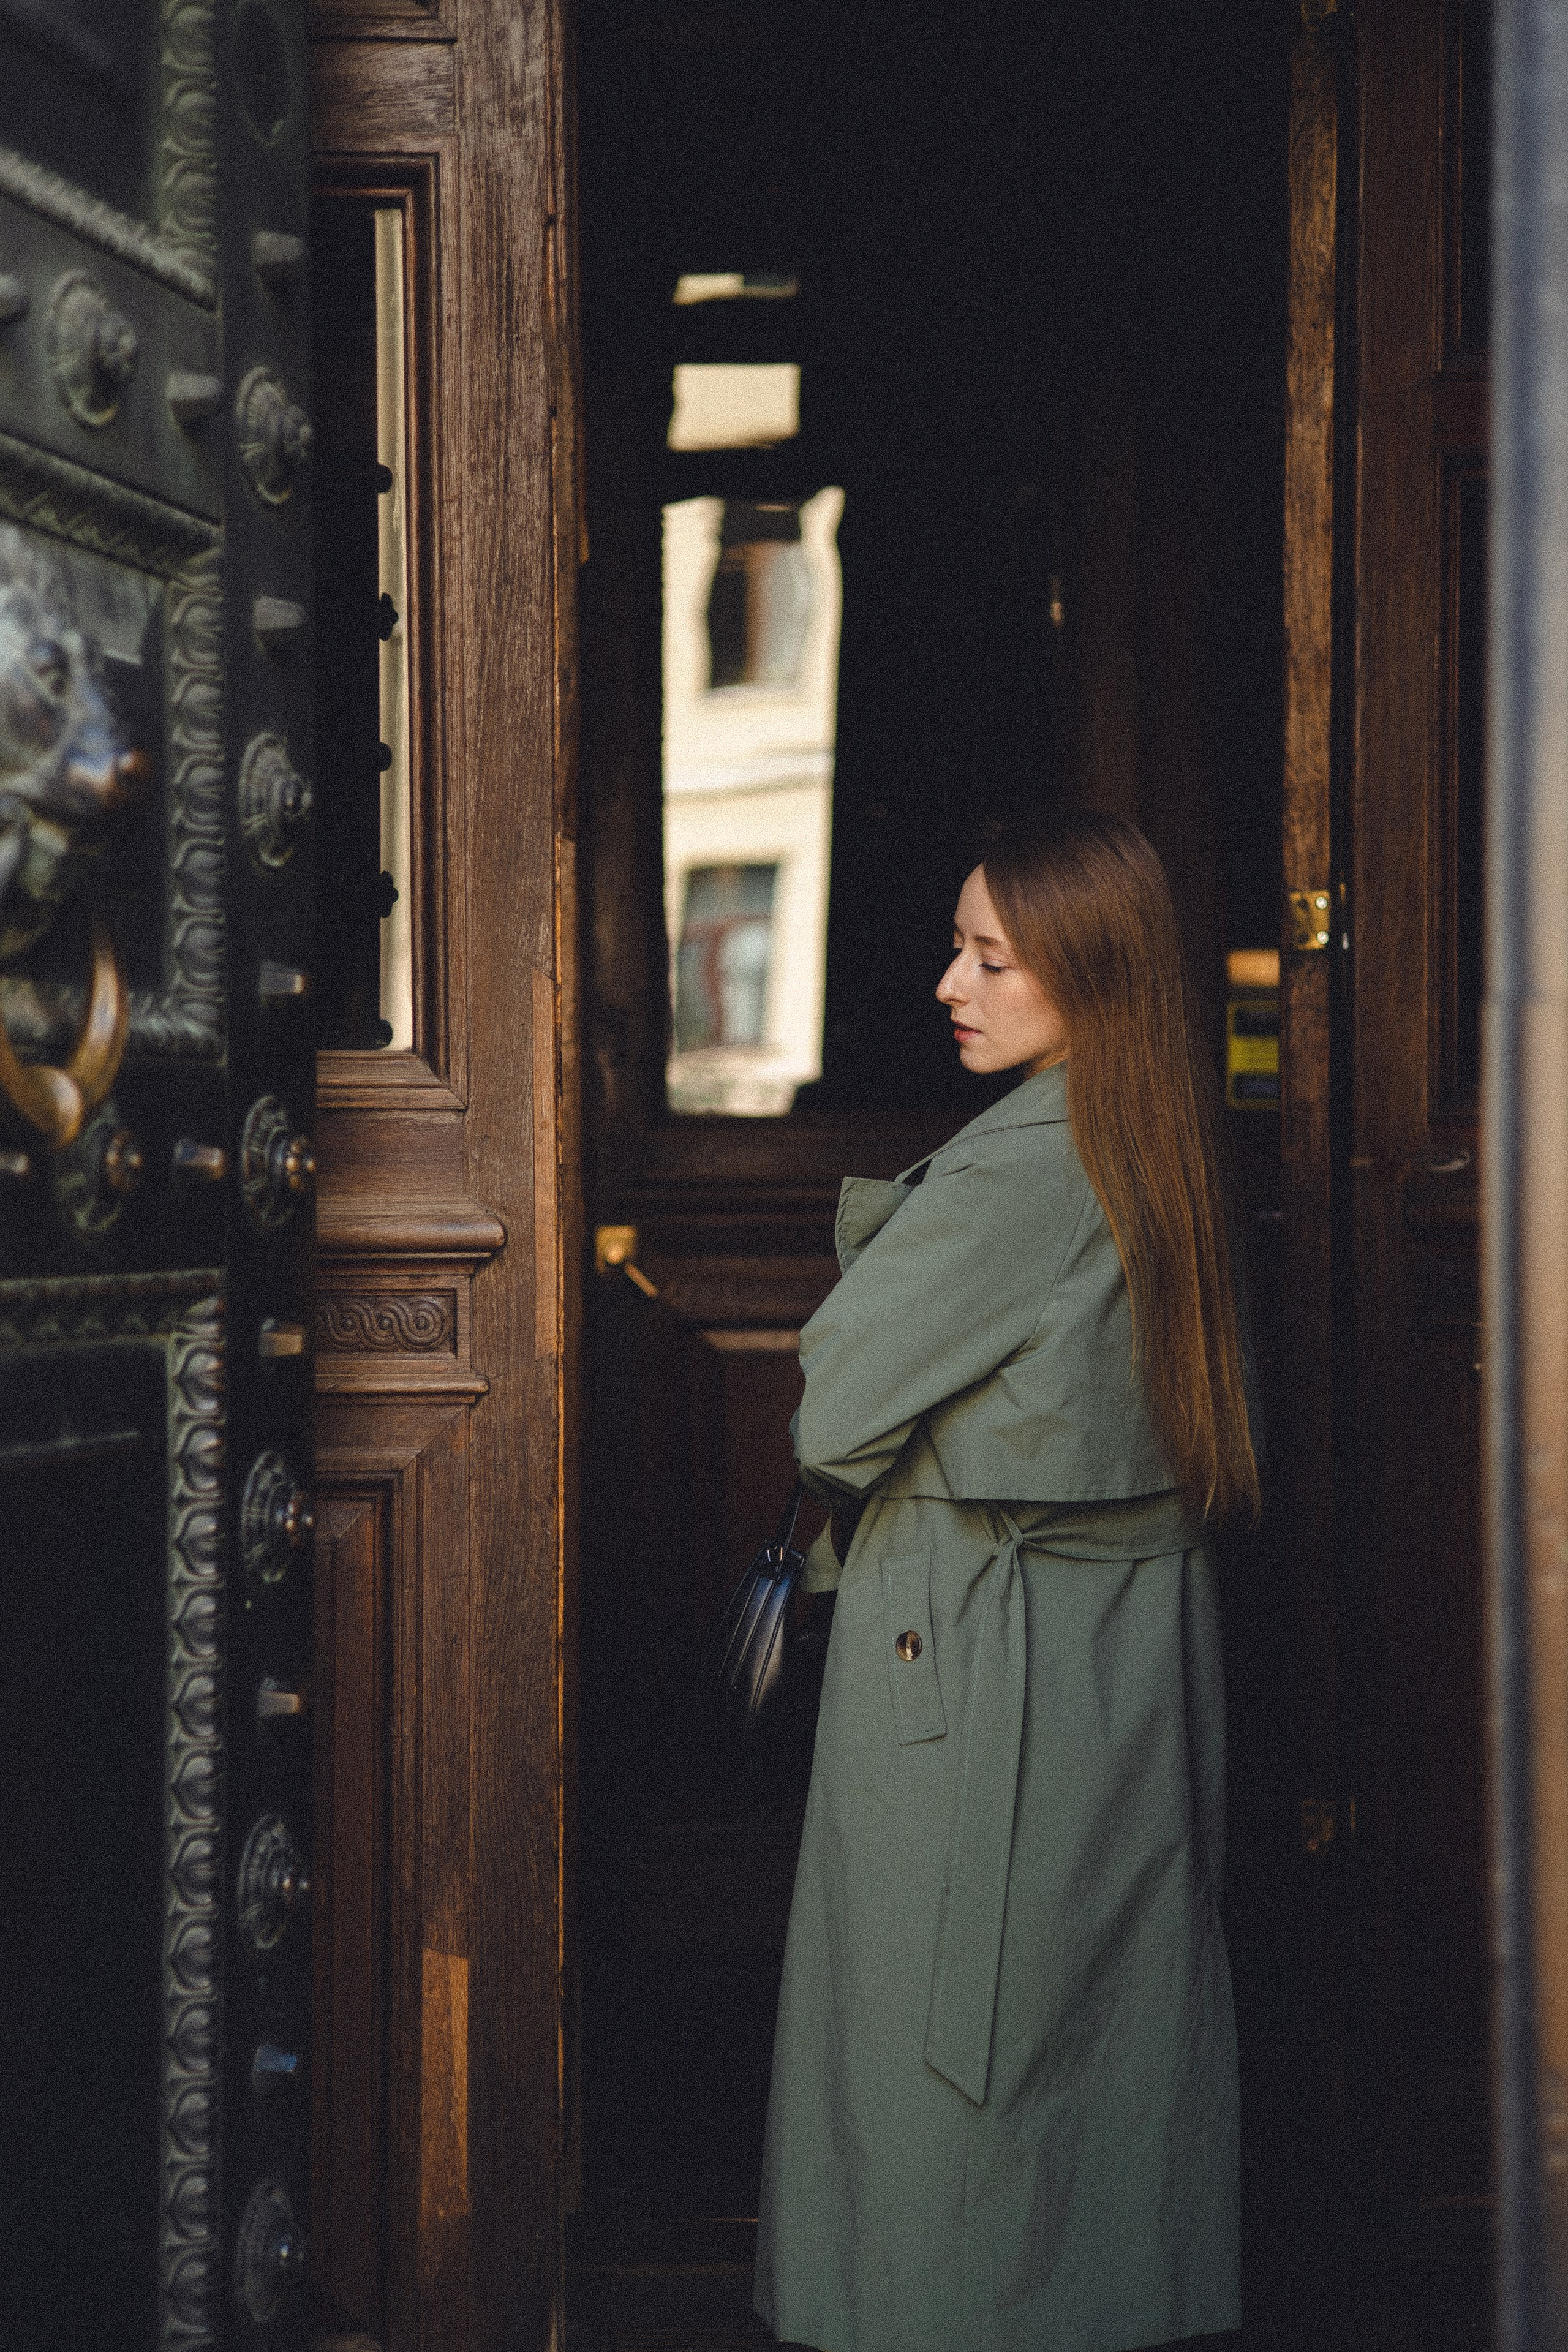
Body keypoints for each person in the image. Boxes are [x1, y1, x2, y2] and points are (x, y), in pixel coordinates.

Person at [754, 813, 1260, 2352]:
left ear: (1091, 976)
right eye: (959, 945)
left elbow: (833, 1408)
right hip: (1115, 1654)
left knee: (937, 2041)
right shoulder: (1150, 1127)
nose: (946, 983)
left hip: (972, 1652)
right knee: (1095, 2015)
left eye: (989, 955)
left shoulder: (1026, 1163)